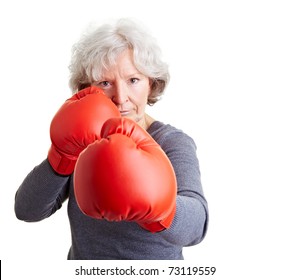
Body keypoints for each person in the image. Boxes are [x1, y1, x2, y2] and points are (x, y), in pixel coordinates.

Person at [14, 18, 209, 260]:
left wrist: (162, 209)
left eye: (133, 80)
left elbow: (197, 228)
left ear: (151, 83)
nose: (120, 97)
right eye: (105, 83)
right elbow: (26, 210)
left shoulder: (171, 142)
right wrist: (62, 155)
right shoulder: (83, 140)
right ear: (87, 90)